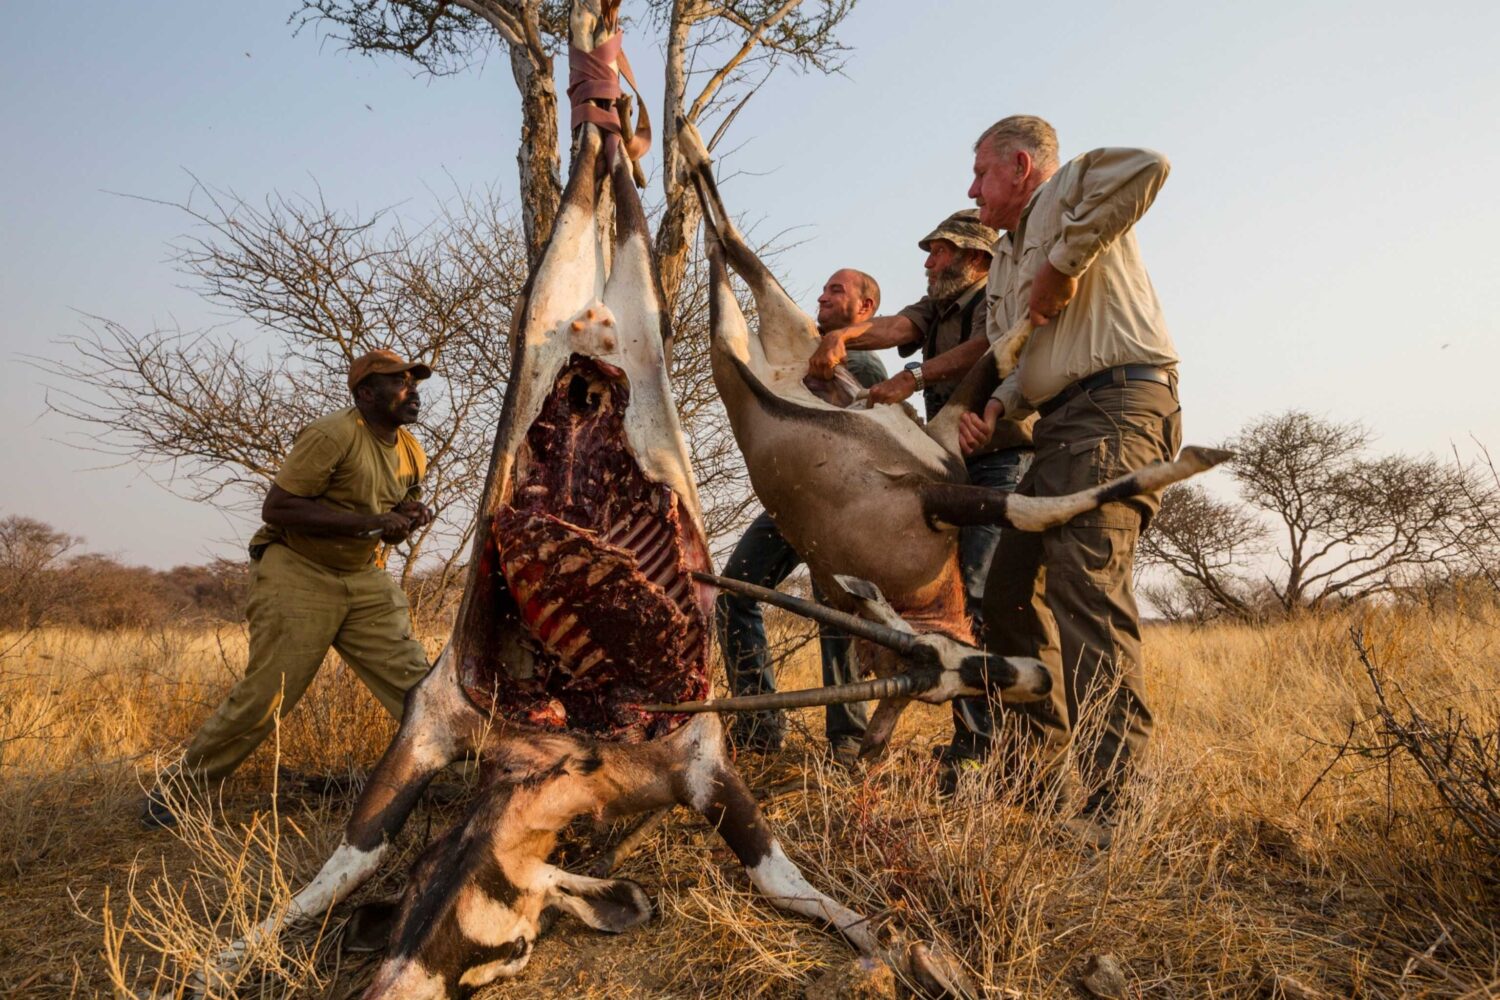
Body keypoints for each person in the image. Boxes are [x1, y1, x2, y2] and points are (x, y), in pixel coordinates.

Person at [957, 115, 1180, 847]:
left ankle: (1118, 806)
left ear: (1020, 166)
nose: (972, 188)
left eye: (981, 172)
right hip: (1058, 426)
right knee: (1007, 593)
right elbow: (1028, 357)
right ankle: (1037, 775)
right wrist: (997, 402)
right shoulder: (1004, 259)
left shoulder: (1069, 190)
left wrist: (1066, 259)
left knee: (1086, 591)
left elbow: (1150, 162)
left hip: (1117, 409)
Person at [141, 348, 437, 828]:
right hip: (299, 571)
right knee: (269, 695)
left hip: (364, 576)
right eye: (401, 383)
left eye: (414, 383)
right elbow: (278, 508)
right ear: (366, 393)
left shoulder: (411, 450)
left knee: (420, 687)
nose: (413, 392)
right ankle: (176, 796)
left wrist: (406, 516)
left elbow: (401, 503)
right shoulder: (333, 435)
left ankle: (487, 778)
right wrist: (370, 521)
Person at [807, 211, 1035, 788]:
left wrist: (912, 378)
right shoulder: (935, 307)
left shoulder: (993, 300)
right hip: (953, 465)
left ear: (976, 259)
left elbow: (986, 349)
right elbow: (892, 328)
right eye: (931, 252)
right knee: (956, 599)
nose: (929, 263)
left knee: (980, 597)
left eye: (940, 252)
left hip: (1001, 460)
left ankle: (982, 748)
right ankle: (974, 741)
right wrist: (843, 335)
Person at [717, 269, 888, 765]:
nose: (822, 295)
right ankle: (759, 730)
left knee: (836, 615)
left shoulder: (865, 367)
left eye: (837, 290)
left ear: (866, 308)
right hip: (788, 500)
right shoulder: (802, 354)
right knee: (735, 594)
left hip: (839, 508)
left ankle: (847, 743)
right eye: (824, 287)